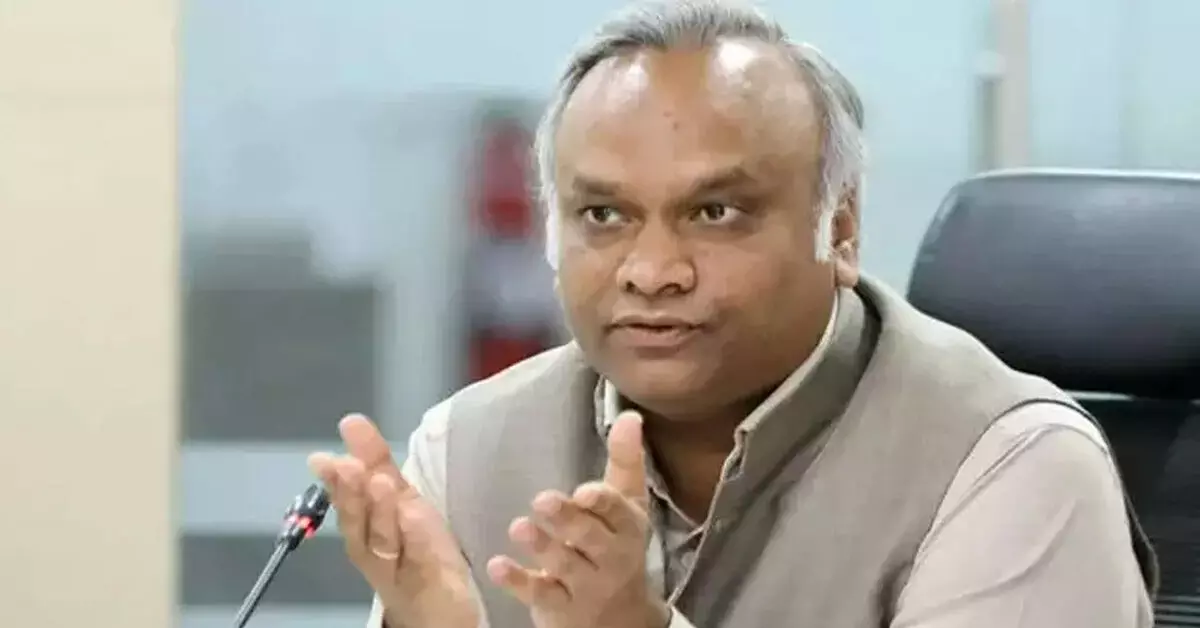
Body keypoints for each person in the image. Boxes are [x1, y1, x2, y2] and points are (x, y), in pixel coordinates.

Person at [308, 1, 1157, 626]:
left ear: (841, 228)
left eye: (715, 213)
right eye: (603, 215)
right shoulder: (467, 450)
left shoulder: (1010, 467)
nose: (652, 272)